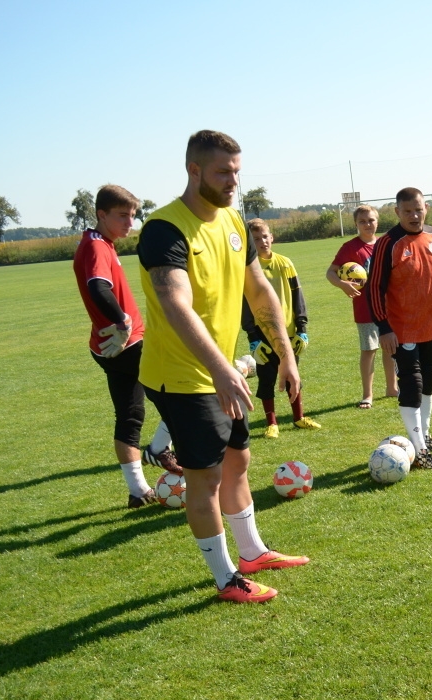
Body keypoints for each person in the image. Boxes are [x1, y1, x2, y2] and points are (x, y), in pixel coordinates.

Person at [137, 130, 308, 603]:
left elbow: (259, 290)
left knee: (239, 461)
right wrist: (220, 369)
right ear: (194, 171)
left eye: (236, 170)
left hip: (222, 371)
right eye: (221, 172)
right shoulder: (164, 229)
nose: (233, 180)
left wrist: (287, 352)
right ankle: (226, 578)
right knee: (206, 477)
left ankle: (252, 552)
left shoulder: (233, 220)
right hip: (182, 375)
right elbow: (175, 303)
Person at [73, 184, 182, 508]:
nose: (129, 223)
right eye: (122, 215)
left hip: (109, 347)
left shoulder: (101, 243)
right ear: (101, 214)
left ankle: (137, 491)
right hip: (127, 342)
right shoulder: (95, 247)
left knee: (130, 415)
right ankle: (161, 449)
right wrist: (122, 322)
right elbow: (97, 287)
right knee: (184, 390)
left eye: (133, 216)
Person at [366, 188, 432, 470]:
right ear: (397, 212)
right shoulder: (388, 243)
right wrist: (384, 328)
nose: (414, 216)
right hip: (401, 331)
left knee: (428, 382)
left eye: (419, 210)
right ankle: (420, 450)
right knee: (411, 387)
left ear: (426, 207)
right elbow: (374, 289)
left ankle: (424, 437)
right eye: (408, 211)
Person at [243, 218, 321, 438]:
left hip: (289, 332)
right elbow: (244, 305)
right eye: (256, 239)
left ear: (272, 238)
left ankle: (298, 418)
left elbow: (298, 296)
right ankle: (272, 422)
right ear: (250, 243)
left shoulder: (285, 263)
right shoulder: (247, 268)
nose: (262, 241)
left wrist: (302, 328)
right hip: (262, 333)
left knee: (292, 375)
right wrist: (252, 336)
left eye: (265, 237)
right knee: (267, 378)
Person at [325, 205, 398, 409]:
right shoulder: (350, 247)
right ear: (356, 224)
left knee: (390, 348)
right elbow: (331, 272)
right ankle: (368, 395)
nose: (367, 224)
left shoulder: (386, 244)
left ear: (378, 221)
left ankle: (392, 388)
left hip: (388, 307)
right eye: (362, 221)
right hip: (365, 309)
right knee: (369, 350)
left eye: (371, 220)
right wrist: (342, 284)